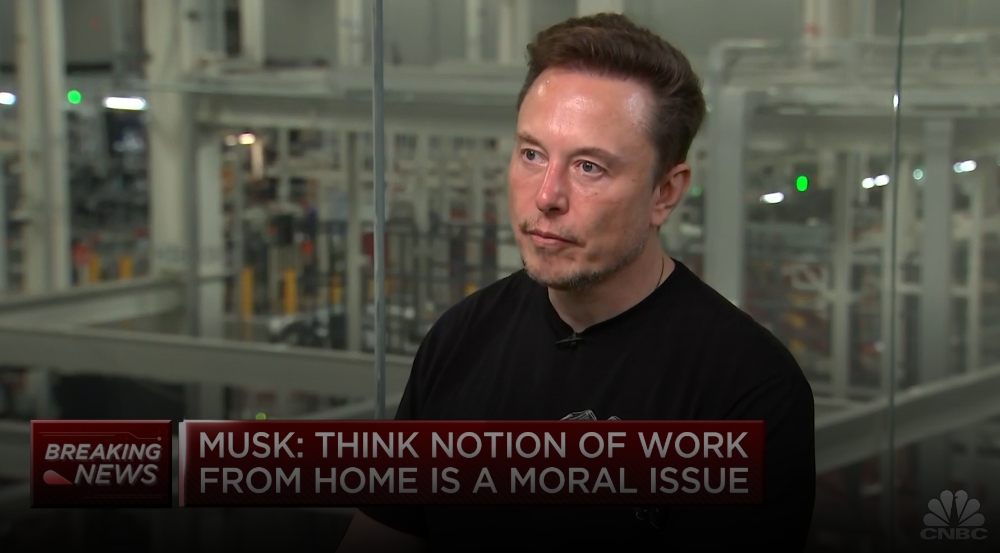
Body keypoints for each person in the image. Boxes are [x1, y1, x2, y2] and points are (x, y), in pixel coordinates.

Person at [336, 12, 815, 553]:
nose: (547, 196)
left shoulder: (747, 391)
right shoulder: (460, 338)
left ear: (665, 192)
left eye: (589, 167)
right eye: (532, 154)